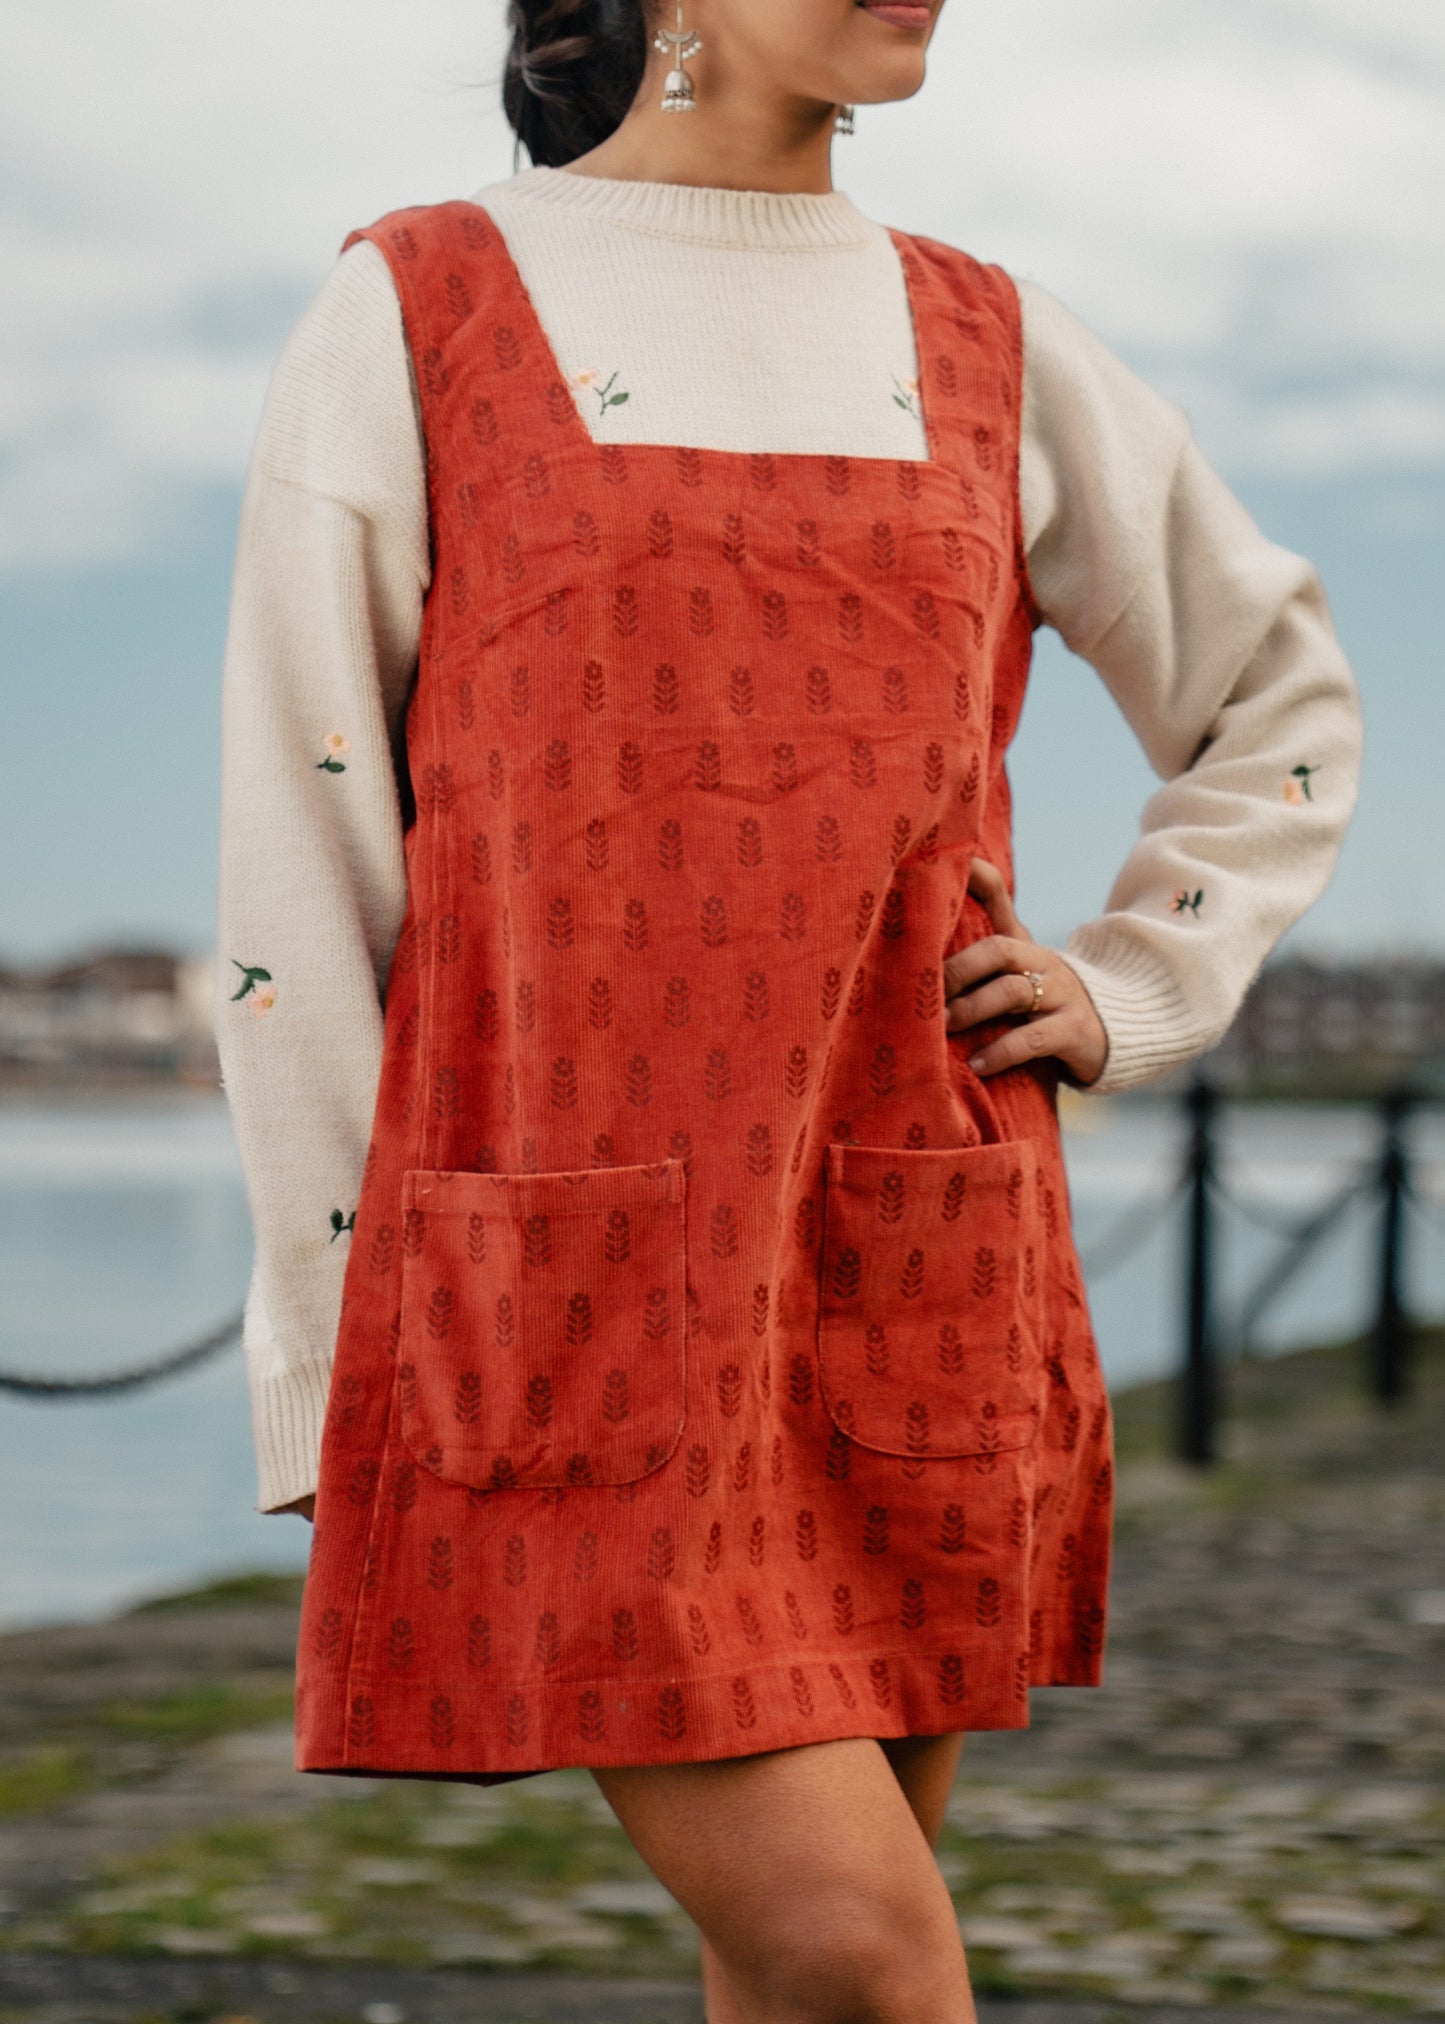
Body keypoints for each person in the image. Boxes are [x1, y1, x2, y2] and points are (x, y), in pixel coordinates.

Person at [215, 0, 1361, 2014]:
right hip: (568, 1300)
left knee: (799, 1977)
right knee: (861, 1955)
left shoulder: (994, 335)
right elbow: (304, 862)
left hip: (909, 1263)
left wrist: (1136, 982)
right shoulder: (419, 307)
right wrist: (328, 1345)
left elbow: (1275, 697)